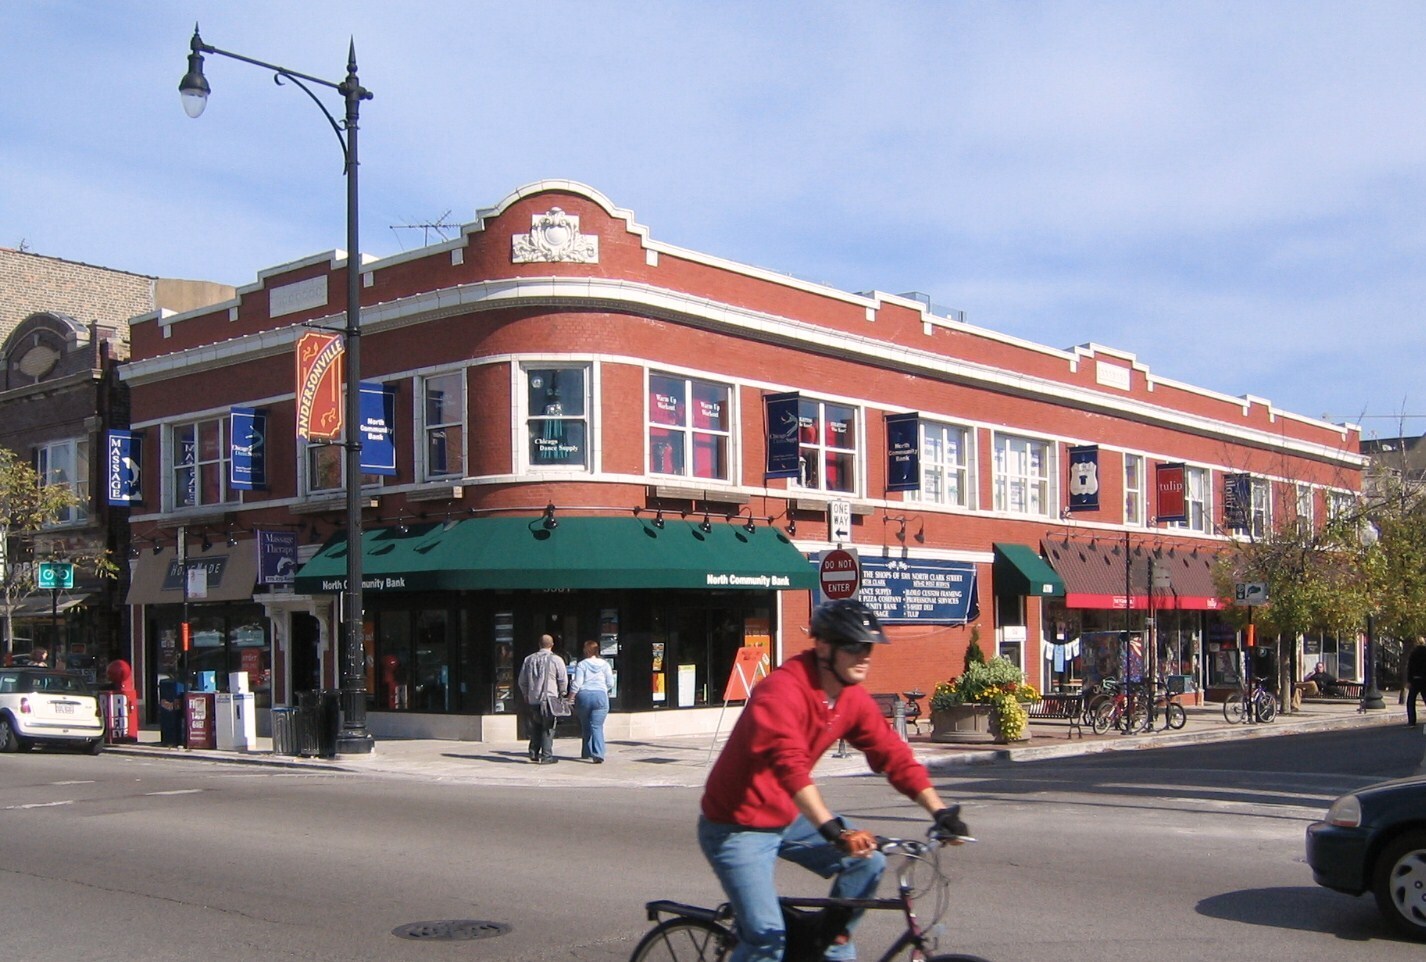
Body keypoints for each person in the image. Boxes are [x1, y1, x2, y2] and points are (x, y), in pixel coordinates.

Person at [699, 599, 968, 962]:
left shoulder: (849, 698)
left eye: (868, 647)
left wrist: (939, 812)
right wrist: (834, 830)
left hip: (786, 816)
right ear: (824, 647)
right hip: (736, 825)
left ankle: (829, 940)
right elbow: (790, 767)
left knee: (868, 862)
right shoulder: (781, 692)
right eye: (854, 646)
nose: (865, 656)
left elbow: (892, 753)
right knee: (766, 937)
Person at [518, 634, 567, 764]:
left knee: (535, 726)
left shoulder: (528, 659)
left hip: (533, 698)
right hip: (549, 698)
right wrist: (563, 693)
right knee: (548, 728)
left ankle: (533, 752)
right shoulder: (556, 660)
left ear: (539, 644)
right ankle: (547, 756)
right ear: (552, 645)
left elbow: (522, 680)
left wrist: (525, 694)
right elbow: (562, 678)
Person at [570, 639, 615, 763]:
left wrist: (571, 697)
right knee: (597, 726)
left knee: (585, 725)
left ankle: (587, 752)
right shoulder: (605, 664)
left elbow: (577, 683)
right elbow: (611, 683)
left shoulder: (582, 664)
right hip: (600, 695)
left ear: (586, 650)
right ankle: (599, 753)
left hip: (584, 695)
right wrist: (603, 689)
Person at [1406, 640, 1426, 727]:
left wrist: (1409, 680)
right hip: (1425, 680)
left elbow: (1410, 667)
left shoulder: (1413, 653)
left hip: (1415, 679)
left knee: (1411, 701)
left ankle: (1412, 721)